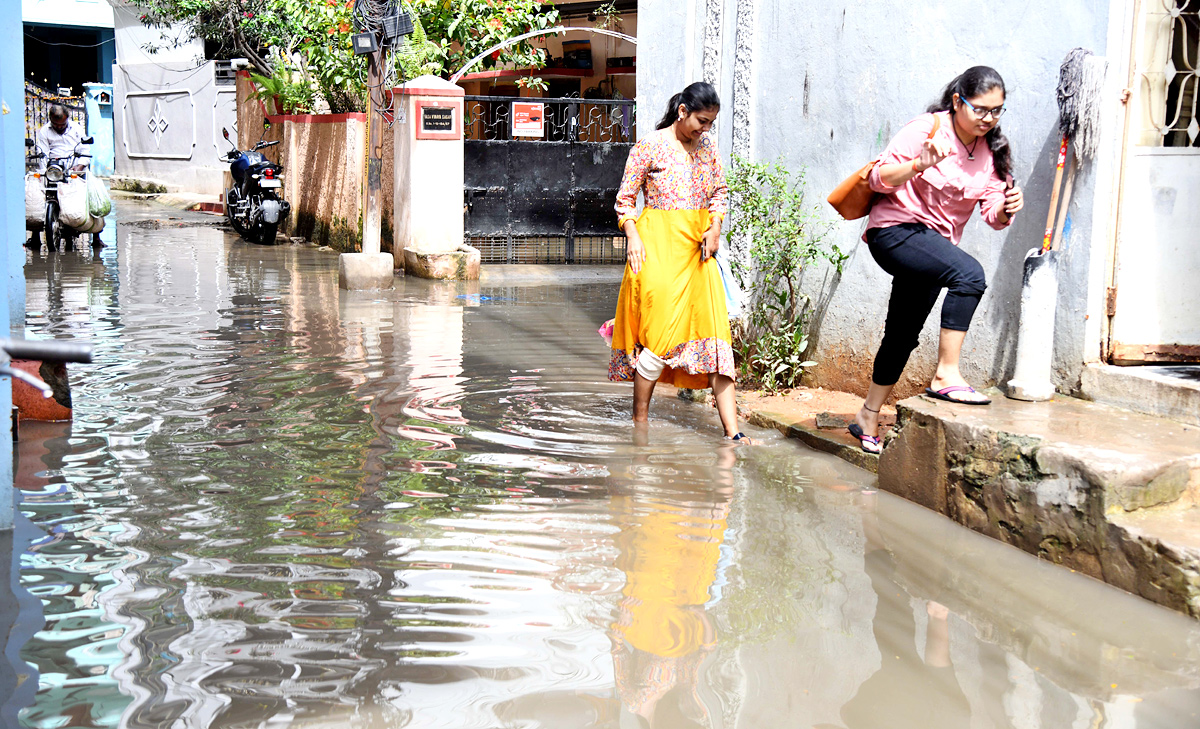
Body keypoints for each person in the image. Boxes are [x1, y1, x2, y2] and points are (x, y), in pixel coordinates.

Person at [849, 66, 1024, 454]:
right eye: (981, 109)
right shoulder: (926, 129)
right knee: (970, 275)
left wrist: (1008, 209)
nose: (989, 118)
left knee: (902, 334)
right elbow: (878, 177)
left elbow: (992, 215)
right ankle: (946, 375)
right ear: (958, 100)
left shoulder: (992, 152)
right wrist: (918, 164)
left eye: (997, 110)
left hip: (932, 246)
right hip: (894, 232)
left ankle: (867, 414)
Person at [609, 82, 748, 442]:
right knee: (659, 338)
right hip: (656, 250)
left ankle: (733, 434)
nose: (705, 129)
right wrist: (633, 237)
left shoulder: (708, 148)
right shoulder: (649, 147)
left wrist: (716, 226)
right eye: (702, 121)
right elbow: (624, 202)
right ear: (683, 111)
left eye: (711, 123)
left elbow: (719, 191)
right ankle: (640, 425)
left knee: (715, 339)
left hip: (700, 254)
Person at [35, 104, 89, 172]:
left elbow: (85, 150)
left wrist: (80, 166)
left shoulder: (77, 129)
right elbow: (42, 155)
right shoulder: (44, 131)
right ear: (50, 119)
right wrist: (47, 171)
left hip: (75, 171)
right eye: (55, 124)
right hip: (54, 171)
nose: (59, 127)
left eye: (63, 124)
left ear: (67, 119)